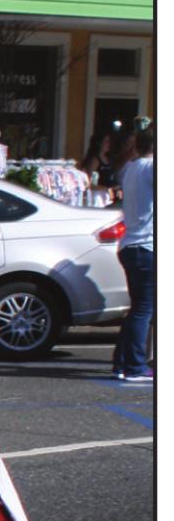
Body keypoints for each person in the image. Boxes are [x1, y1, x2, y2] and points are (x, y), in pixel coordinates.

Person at [111, 119, 154, 382]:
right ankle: (136, 366)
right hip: (147, 246)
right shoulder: (151, 168)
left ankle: (122, 363)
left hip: (130, 244)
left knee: (137, 307)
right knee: (144, 309)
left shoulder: (130, 168)